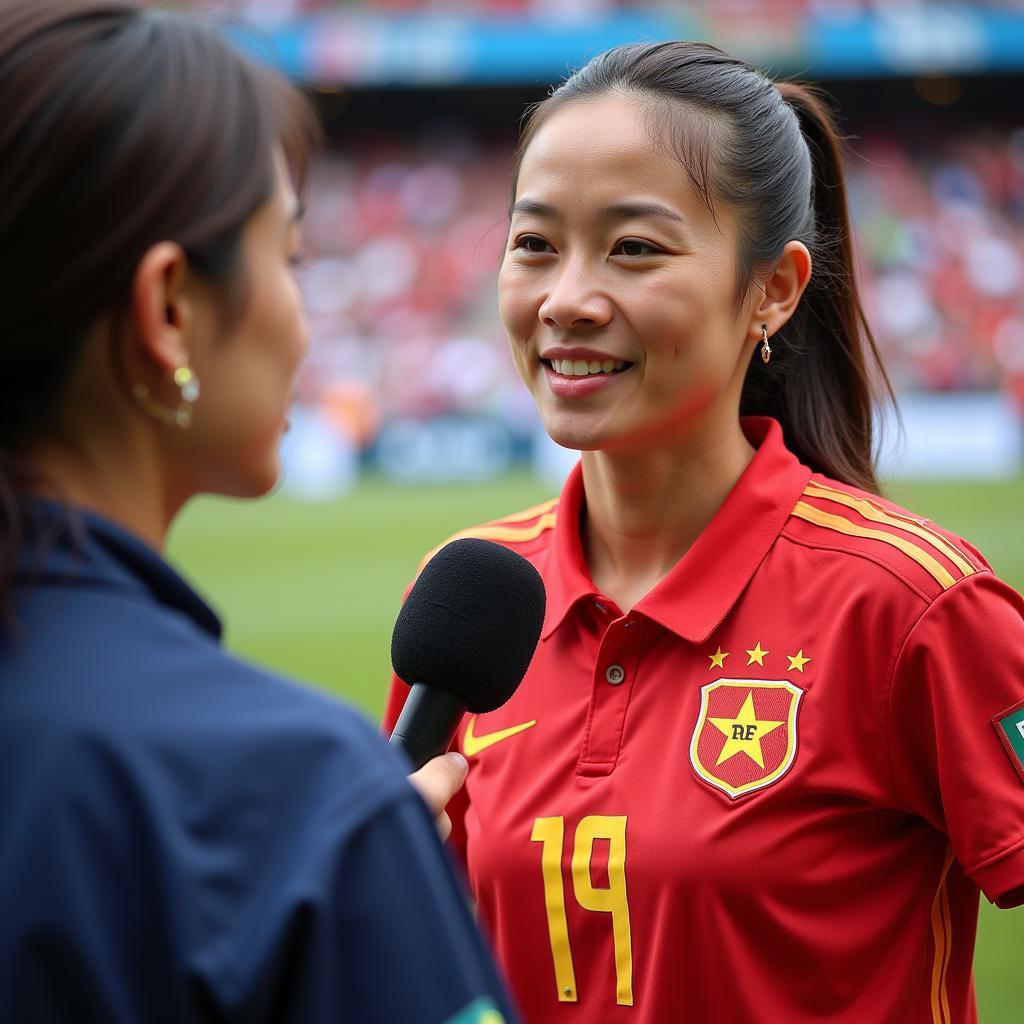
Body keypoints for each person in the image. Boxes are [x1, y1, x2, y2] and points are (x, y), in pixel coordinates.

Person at [385, 41, 1024, 1023]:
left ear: (771, 289)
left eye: (634, 248)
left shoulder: (910, 605)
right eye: (534, 244)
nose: (567, 300)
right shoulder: (467, 598)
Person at [0, 4, 516, 1022]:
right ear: (170, 310)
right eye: (287, 255)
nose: (304, 312)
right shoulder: (294, 796)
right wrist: (364, 878)